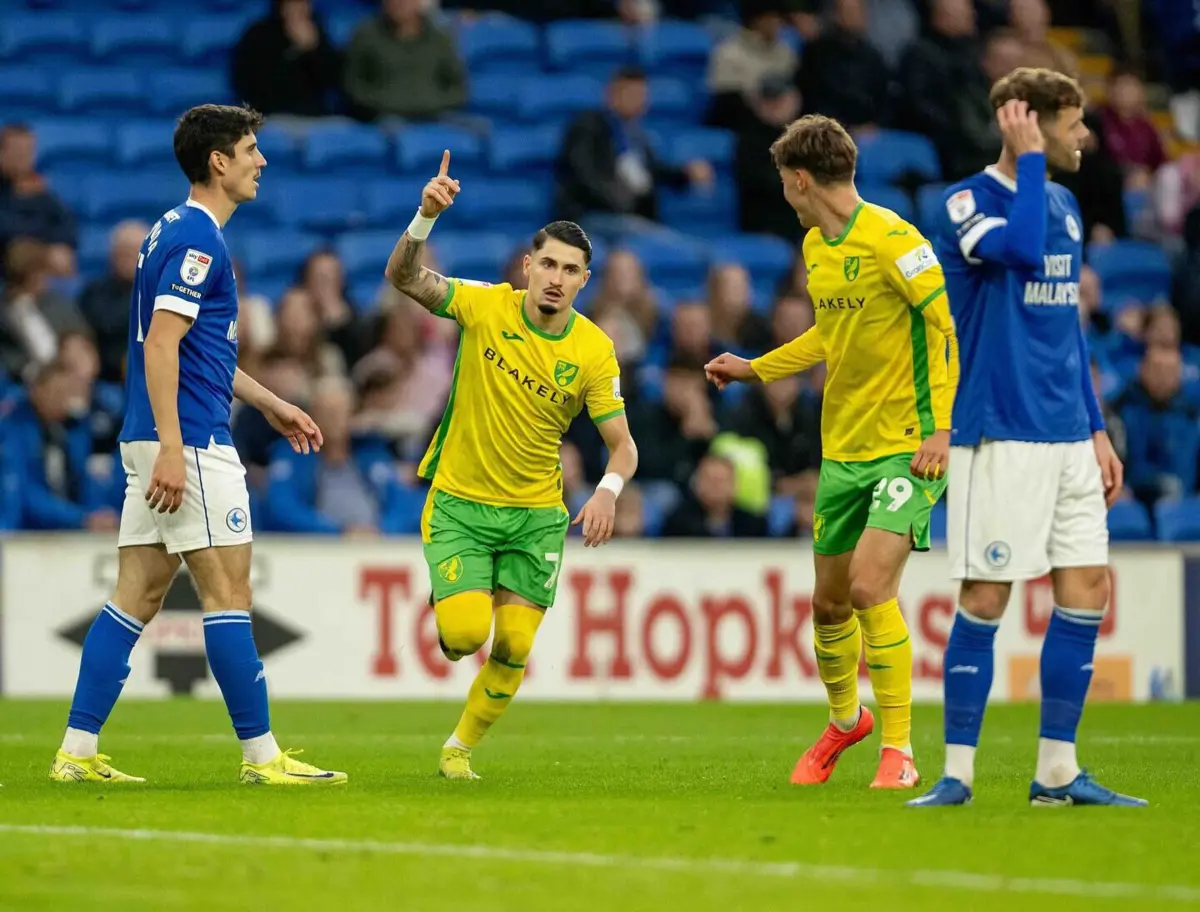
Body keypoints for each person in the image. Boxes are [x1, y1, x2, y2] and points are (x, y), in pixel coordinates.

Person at [49, 104, 346, 787]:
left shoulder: (173, 230)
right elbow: (160, 345)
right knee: (229, 592)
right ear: (218, 161)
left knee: (136, 595)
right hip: (188, 441)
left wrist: (271, 404)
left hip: (154, 437)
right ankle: (262, 758)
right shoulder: (199, 240)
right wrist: (177, 448)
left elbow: (197, 349)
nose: (260, 161)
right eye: (249, 149)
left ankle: (76, 750)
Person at [910, 68, 1145, 808]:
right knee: (987, 594)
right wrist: (1031, 161)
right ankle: (957, 774)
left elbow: (1065, 329)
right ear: (1031, 124)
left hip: (1069, 435)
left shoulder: (1067, 203)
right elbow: (1015, 250)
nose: (1087, 137)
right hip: (1001, 430)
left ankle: (1057, 773)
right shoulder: (965, 201)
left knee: (1087, 589)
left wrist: (1098, 428)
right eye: (1073, 124)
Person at [705, 114, 959, 790]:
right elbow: (830, 334)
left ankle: (900, 753)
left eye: (784, 187)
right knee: (828, 605)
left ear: (799, 180)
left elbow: (945, 327)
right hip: (842, 451)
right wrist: (754, 367)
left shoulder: (897, 240)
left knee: (872, 586)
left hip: (908, 448)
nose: (784, 198)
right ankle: (847, 720)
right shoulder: (818, 247)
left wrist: (942, 430)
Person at [383, 151, 638, 781]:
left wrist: (607, 491)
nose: (555, 277)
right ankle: (453, 614)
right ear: (528, 266)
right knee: (468, 636)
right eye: (547, 263)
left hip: (535, 516)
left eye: (570, 270)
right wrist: (424, 218)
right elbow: (403, 278)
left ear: (584, 281)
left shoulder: (593, 350)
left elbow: (624, 446)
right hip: (462, 504)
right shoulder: (482, 305)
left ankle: (458, 750)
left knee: (517, 645)